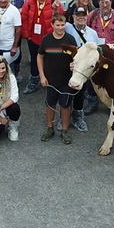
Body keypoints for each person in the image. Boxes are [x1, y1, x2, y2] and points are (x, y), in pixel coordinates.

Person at [38, 13, 79, 143]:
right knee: (50, 104)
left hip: (66, 79)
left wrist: (74, 65)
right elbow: (40, 56)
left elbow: (76, 56)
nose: (61, 28)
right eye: (58, 25)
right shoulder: (46, 40)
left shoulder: (70, 39)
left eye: (63, 25)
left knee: (65, 105)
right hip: (50, 79)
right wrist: (42, 75)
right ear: (52, 25)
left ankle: (65, 131)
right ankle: (50, 128)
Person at [21, 0, 64, 93]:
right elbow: (24, 19)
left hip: (49, 39)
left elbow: (61, 19)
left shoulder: (54, 2)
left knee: (51, 60)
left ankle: (50, 82)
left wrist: (55, 9)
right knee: (35, 60)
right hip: (33, 38)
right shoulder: (28, 3)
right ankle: (34, 80)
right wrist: (27, 35)